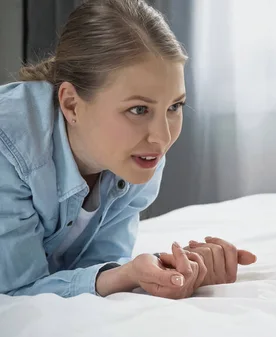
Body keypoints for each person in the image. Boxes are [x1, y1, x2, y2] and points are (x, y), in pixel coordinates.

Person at [0, 0, 256, 299]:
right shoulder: (9, 149)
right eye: (138, 109)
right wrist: (127, 275)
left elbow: (92, 269)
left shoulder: (135, 154)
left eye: (175, 106)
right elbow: (15, 294)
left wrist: (168, 268)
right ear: (71, 104)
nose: (162, 137)